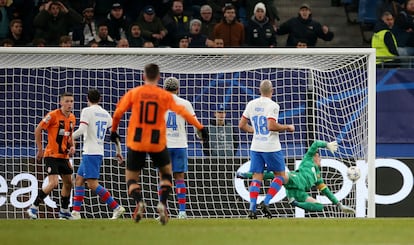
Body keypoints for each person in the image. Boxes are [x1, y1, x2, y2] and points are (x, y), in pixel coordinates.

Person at [110, 63, 208, 225]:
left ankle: (141, 202)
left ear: (143, 76)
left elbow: (118, 112)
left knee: (133, 178)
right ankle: (176, 209)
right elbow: (185, 114)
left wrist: (114, 131)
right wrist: (201, 128)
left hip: (139, 141)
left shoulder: (135, 93)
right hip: (164, 143)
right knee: (173, 177)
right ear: (158, 77)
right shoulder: (169, 99)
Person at [237, 140, 356, 214]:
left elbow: (326, 191)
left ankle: (295, 203)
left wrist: (339, 205)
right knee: (281, 176)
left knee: (319, 207)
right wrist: (326, 145)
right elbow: (315, 144)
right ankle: (247, 175)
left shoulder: (318, 176)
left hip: (298, 193)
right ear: (314, 156)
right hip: (296, 178)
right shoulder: (308, 159)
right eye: (318, 156)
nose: (320, 158)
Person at [238, 80, 294, 219]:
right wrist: (287, 127)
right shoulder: (273, 105)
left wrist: (255, 131)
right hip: (271, 147)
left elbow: (242, 125)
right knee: (280, 176)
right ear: (272, 91)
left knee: (257, 177)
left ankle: (252, 208)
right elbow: (271, 126)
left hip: (256, 146)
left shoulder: (251, 104)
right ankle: (266, 202)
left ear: (259, 90)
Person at [70, 89, 126, 220]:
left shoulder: (86, 111)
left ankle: (116, 207)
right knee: (79, 180)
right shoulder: (105, 114)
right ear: (100, 99)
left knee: (92, 184)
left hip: (91, 152)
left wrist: (68, 136)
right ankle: (76, 213)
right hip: (96, 151)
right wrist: (119, 151)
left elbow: (82, 130)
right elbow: (114, 134)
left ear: (87, 99)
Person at [27, 92, 76, 220]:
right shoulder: (53, 115)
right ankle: (34, 207)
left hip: (64, 157)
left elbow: (69, 136)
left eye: (71, 101)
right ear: (61, 103)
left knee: (69, 183)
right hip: (51, 155)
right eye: (67, 101)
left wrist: (72, 146)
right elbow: (38, 129)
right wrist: (40, 149)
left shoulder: (72, 118)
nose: (69, 104)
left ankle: (64, 211)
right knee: (53, 183)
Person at [163, 77, 198, 219]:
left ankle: (163, 211)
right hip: (180, 145)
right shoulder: (185, 103)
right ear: (178, 89)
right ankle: (182, 211)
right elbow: (195, 123)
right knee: (180, 178)